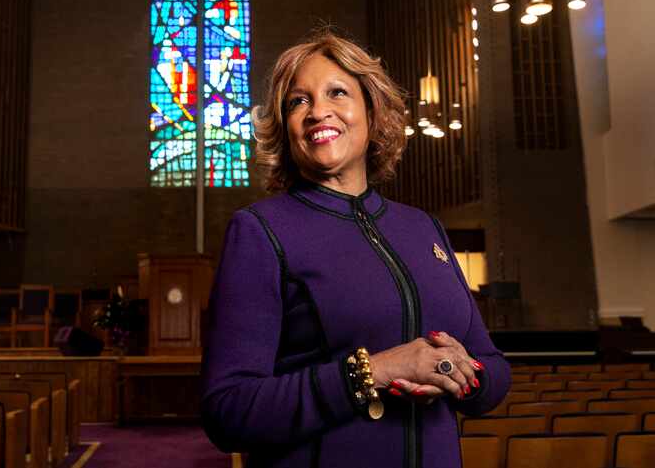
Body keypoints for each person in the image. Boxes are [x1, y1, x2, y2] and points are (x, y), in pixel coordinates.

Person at [199, 30, 511, 468]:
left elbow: (493, 369)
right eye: (297, 101)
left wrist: (460, 375)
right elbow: (228, 411)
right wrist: (374, 371)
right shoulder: (260, 231)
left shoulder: (424, 228)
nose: (317, 111)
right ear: (285, 128)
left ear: (372, 110)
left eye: (337, 92)